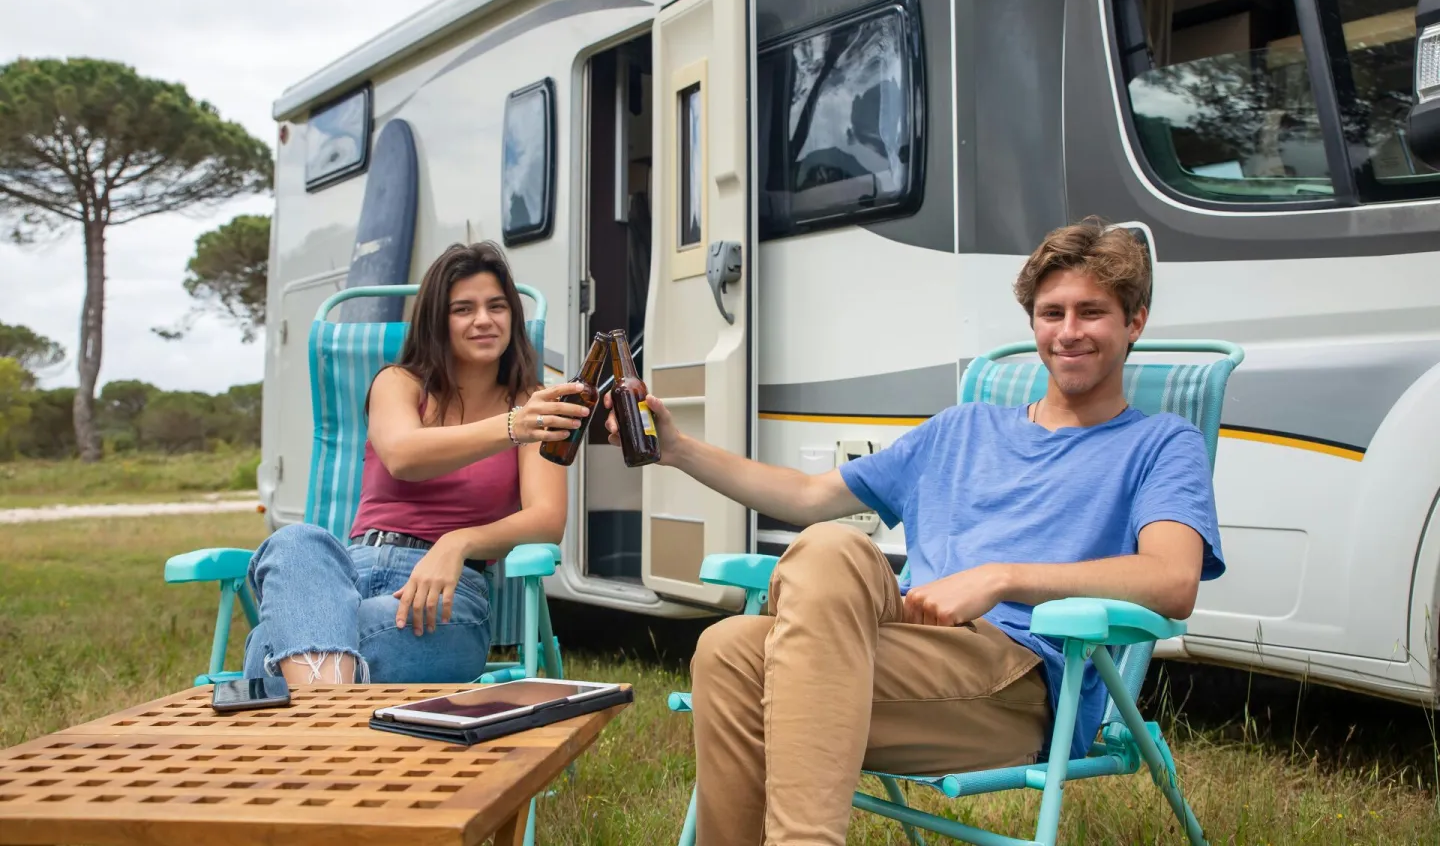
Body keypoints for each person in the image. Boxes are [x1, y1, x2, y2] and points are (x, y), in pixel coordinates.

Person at [603, 218, 1225, 845]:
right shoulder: (963, 428)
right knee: (790, 586)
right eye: (1051, 312)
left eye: (1090, 312)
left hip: (1018, 677)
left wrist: (1001, 578)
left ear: (1134, 322)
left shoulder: (1160, 445)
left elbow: (1172, 581)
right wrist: (677, 449)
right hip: (898, 640)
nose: (1067, 332)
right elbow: (810, 496)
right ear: (1032, 323)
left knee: (739, 649)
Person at [243, 241, 590, 686]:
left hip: (445, 594)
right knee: (296, 541)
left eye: (497, 306)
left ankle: (286, 680)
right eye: (463, 309)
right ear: (437, 321)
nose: (484, 320)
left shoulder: (533, 403)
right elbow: (404, 456)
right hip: (350, 571)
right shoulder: (399, 383)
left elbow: (546, 520)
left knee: (276, 646)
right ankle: (326, 699)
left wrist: (458, 543)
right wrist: (512, 426)